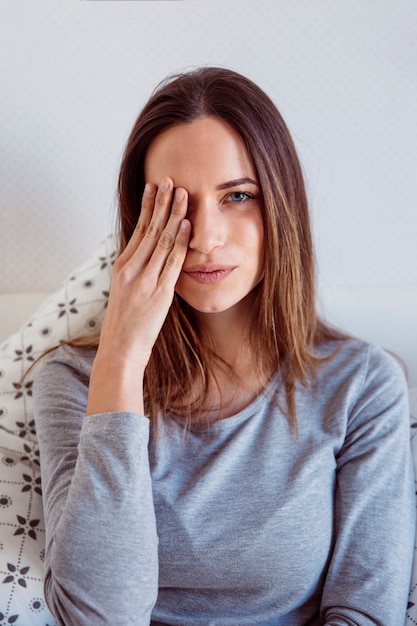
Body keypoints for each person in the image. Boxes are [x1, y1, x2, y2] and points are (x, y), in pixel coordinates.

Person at [33, 67, 415, 626]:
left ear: (281, 207)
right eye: (176, 204)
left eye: (238, 196)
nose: (206, 238)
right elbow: (98, 615)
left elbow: (366, 613)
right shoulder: (73, 380)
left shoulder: (362, 385)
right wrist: (120, 358)